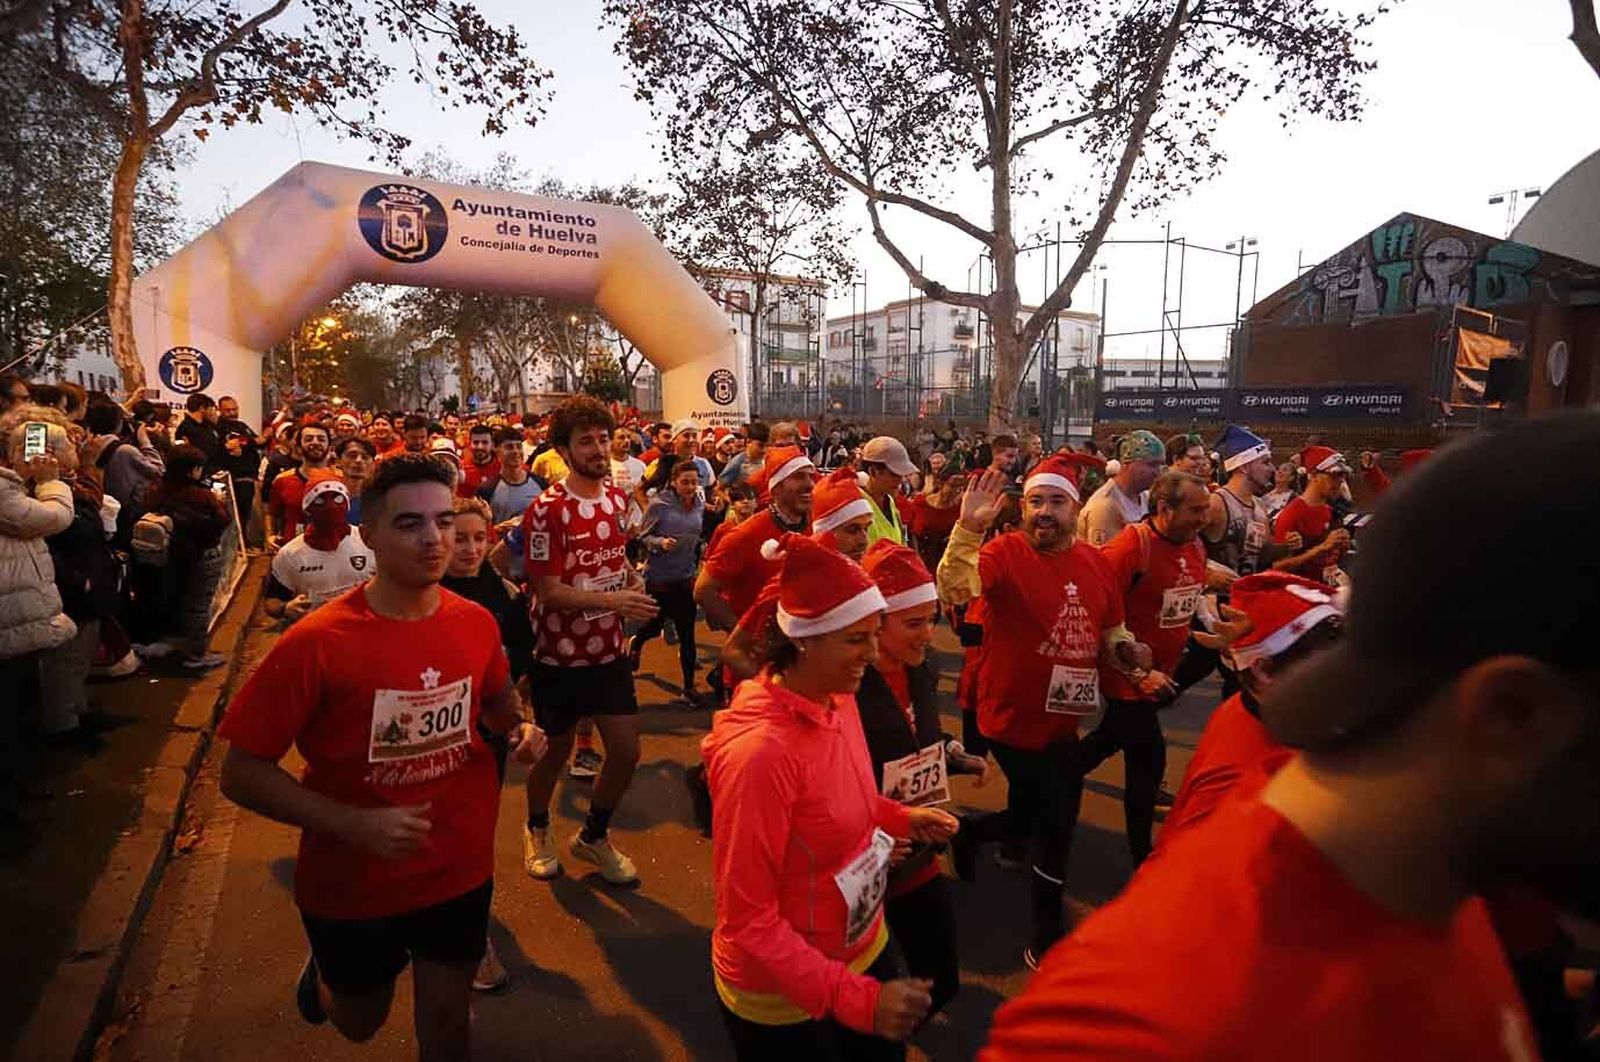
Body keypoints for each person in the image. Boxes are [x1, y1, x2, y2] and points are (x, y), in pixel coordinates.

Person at [977, 414, 1600, 1062]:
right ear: (1513, 714)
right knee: (1080, 784)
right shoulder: (1146, 1017)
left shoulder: (1451, 890)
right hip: (1062, 708)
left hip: (1146, 685)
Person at [218, 454, 545, 1061]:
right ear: (368, 534)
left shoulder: (475, 622)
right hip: (353, 882)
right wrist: (352, 823)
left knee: (448, 1025)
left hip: (458, 866)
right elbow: (240, 772)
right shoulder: (317, 643)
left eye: (444, 522)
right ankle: (327, 978)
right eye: (410, 524)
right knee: (360, 1023)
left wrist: (522, 730)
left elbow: (499, 703)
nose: (434, 540)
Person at [702, 531, 960, 1061]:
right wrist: (856, 1000)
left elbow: (845, 797)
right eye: (854, 640)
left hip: (863, 940)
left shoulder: (837, 697)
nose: (871, 654)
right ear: (803, 639)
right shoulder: (761, 755)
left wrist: (900, 817)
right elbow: (746, 919)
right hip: (781, 996)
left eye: (873, 635)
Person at [936, 457, 1153, 966]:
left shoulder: (1096, 565)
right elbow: (954, 588)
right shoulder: (1003, 553)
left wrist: (1129, 651)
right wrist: (968, 527)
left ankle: (972, 833)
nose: (1044, 513)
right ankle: (1049, 925)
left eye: (1056, 502)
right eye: (1035, 502)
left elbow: (1111, 630)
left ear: (1076, 508)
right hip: (1010, 715)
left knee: (1037, 812)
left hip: (1065, 721)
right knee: (1056, 817)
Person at [518, 396, 657, 886]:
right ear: (562, 449)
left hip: (608, 651)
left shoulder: (619, 499)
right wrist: (618, 600)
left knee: (626, 751)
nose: (599, 449)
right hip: (557, 655)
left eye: (603, 439)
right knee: (554, 753)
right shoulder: (545, 510)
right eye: (586, 441)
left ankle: (593, 837)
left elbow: (614, 564)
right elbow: (549, 591)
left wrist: (629, 583)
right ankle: (537, 826)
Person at [857, 540, 987, 1020]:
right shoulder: (844, 684)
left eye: (930, 620)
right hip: (855, 867)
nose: (929, 634)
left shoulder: (922, 668)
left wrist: (953, 753)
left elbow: (916, 732)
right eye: (914, 623)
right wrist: (869, 840)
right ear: (874, 622)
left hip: (916, 853)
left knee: (941, 980)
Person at [1074, 471, 1217, 867]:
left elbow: (1189, 594)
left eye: (1206, 508)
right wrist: (1137, 673)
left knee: (1105, 743)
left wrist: (1210, 626)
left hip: (1160, 672)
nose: (1205, 516)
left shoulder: (1195, 544)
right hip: (1125, 677)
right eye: (1196, 509)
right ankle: (1143, 857)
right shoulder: (1130, 548)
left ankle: (1039, 797)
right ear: (1164, 509)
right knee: (1148, 758)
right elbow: (1096, 610)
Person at [1155, 572, 1340, 851]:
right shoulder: (1236, 784)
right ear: (1264, 670)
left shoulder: (1263, 714)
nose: (1345, 681)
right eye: (1328, 667)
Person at [438, 494, 534, 993]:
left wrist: (513, 709)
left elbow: (520, 656)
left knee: (473, 838)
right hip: (427, 739)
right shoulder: (417, 591)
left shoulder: (505, 595)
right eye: (460, 537)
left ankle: (473, 940)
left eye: (480, 537)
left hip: (483, 737)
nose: (470, 548)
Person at [0, 406, 78, 826]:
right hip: (9, 619)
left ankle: (22, 784)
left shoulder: (13, 486)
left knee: (24, 701)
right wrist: (49, 481)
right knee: (10, 710)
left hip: (17, 616)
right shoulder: (7, 492)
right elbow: (54, 518)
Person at [695, 445, 815, 632]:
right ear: (775, 489)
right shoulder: (745, 535)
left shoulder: (816, 527)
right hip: (759, 654)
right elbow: (703, 590)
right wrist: (742, 635)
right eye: (798, 476)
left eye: (810, 476)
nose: (810, 484)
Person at [139, 443, 232, 670]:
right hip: (202, 554)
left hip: (167, 555)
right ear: (193, 470)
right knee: (199, 605)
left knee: (178, 599)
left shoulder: (156, 489)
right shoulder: (201, 495)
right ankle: (196, 654)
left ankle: (174, 642)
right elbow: (223, 519)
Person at [630, 458, 710, 705]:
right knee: (654, 627)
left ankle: (689, 688)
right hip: (659, 580)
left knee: (688, 635)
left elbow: (695, 533)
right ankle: (637, 642)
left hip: (685, 578)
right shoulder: (659, 505)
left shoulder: (699, 504)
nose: (689, 487)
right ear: (674, 482)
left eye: (694, 482)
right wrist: (659, 543)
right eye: (685, 482)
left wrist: (701, 546)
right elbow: (643, 537)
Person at [264, 474, 374, 625]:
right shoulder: (289, 554)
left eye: (337, 499)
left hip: (365, 628)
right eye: (320, 500)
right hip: (316, 634)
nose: (330, 507)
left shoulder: (368, 540)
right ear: (308, 509)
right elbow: (272, 601)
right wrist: (285, 608)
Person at [1201, 424, 1286, 580]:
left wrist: (1286, 547)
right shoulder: (1216, 503)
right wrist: (1206, 573)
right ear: (1245, 467)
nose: (1273, 469)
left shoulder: (1260, 505)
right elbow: (1182, 550)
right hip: (1218, 599)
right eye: (1265, 462)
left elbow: (1262, 557)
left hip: (1248, 597)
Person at [1271, 444, 1352, 585]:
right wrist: (1322, 547)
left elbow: (1330, 559)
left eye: (1342, 476)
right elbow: (1277, 566)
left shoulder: (1332, 512)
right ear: (1313, 475)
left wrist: (1343, 547)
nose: (1339, 481)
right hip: (1301, 593)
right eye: (1333, 475)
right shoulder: (1292, 513)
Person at [1075, 430, 1163, 547]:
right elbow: (1104, 559)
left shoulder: (1145, 497)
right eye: (1151, 465)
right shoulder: (1104, 506)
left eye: (1160, 465)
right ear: (1127, 463)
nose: (1157, 472)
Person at [267, 423, 331, 550]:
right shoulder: (282, 480)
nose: (315, 442)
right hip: (292, 551)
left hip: (330, 551)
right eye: (308, 439)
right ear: (298, 447)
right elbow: (272, 513)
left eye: (321, 439)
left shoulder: (341, 480)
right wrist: (270, 535)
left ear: (329, 447)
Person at [215, 396, 262, 540]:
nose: (232, 413)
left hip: (248, 475)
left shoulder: (241, 426)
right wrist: (247, 443)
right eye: (228, 410)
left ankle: (244, 542)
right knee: (233, 512)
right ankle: (237, 543)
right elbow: (226, 446)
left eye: (234, 409)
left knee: (245, 510)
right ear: (219, 410)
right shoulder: (219, 427)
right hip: (231, 477)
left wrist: (245, 443)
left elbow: (258, 441)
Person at [478, 427, 543, 527]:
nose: (515, 451)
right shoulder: (487, 489)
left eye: (518, 446)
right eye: (509, 447)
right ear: (497, 450)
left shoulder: (540, 483)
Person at [858, 437, 917, 547]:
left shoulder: (889, 501)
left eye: (902, 474)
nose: (900, 480)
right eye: (894, 474)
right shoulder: (857, 504)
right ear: (873, 471)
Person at [904, 469, 963, 578]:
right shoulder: (920, 503)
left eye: (960, 487)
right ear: (940, 483)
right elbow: (911, 533)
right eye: (953, 485)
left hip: (950, 566)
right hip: (923, 561)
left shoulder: (961, 508)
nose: (957, 491)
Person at [607, 425, 647, 532]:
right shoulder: (605, 466)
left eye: (628, 437)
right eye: (621, 437)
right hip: (613, 525)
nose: (626, 441)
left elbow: (649, 493)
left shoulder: (640, 465)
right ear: (611, 441)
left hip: (636, 524)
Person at [333, 435, 376, 525]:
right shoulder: (328, 498)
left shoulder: (380, 502)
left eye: (365, 457)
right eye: (352, 456)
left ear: (373, 464)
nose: (358, 460)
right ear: (338, 461)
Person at [174, 393, 222, 469]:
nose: (213, 412)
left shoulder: (208, 426)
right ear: (202, 408)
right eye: (211, 408)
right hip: (198, 471)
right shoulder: (185, 428)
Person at [719, 421, 769, 487]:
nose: (764, 450)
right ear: (748, 442)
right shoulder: (738, 462)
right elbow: (718, 489)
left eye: (767, 446)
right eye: (760, 446)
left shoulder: (768, 460)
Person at [460, 424, 498, 499]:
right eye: (476, 442)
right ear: (469, 443)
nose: (480, 447)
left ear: (492, 444)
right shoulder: (462, 468)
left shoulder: (501, 467)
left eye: (485, 442)